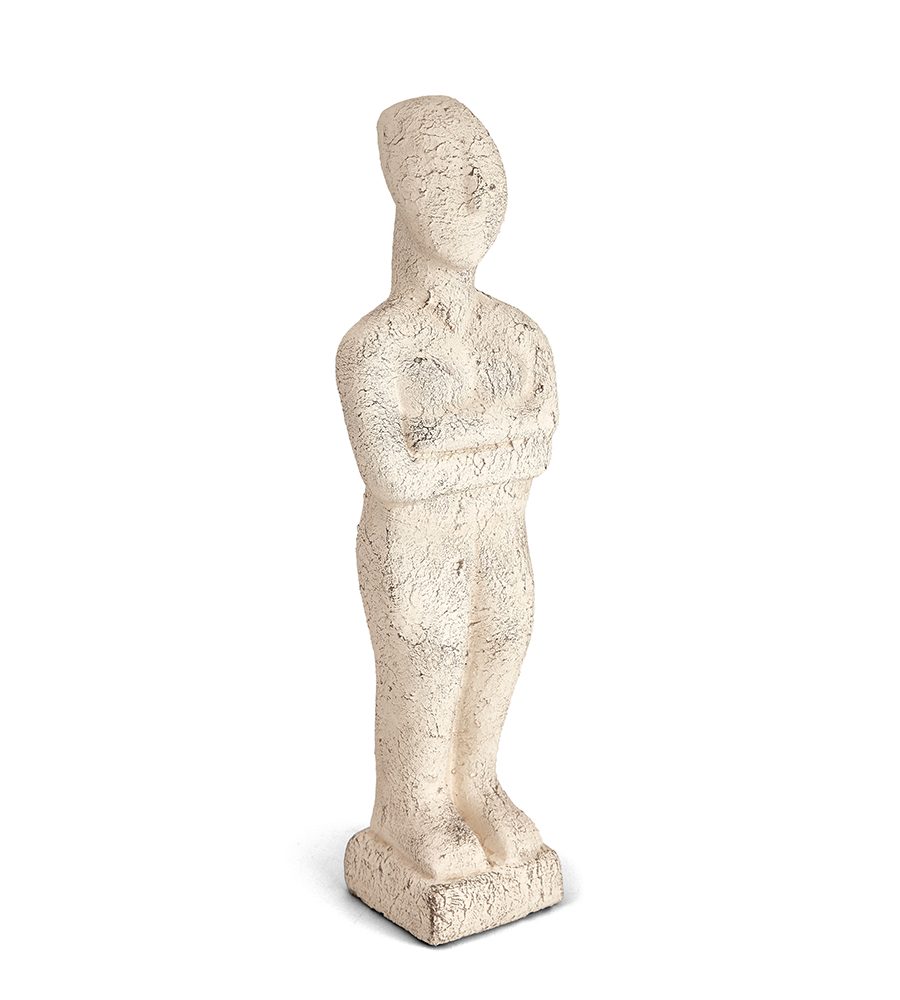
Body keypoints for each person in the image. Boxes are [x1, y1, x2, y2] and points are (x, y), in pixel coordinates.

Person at [336, 96, 559, 880]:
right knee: (427, 656)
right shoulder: (375, 347)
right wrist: (493, 438)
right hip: (413, 554)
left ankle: (479, 789)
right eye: (449, 166)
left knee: (500, 638)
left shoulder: (519, 332)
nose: (477, 187)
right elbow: (393, 476)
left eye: (486, 165)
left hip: (500, 543)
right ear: (401, 188)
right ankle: (415, 809)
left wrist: (443, 439)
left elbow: (541, 446)